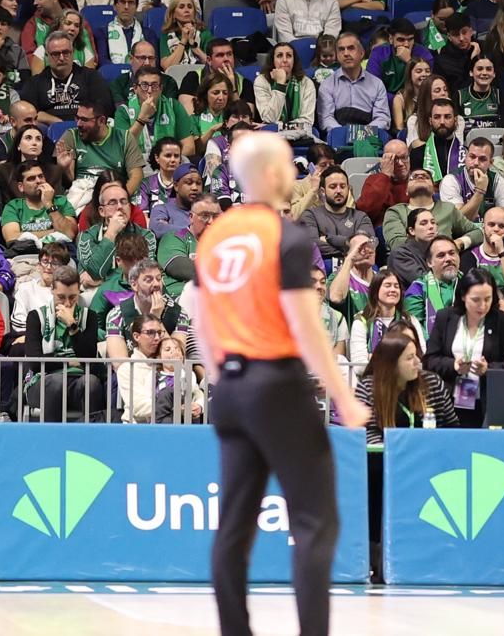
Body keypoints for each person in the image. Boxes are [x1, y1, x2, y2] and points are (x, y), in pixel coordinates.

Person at [190, 132, 367, 636]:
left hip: (228, 388)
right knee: (315, 521)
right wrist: (342, 395)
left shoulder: (216, 236)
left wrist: (223, 379)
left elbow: (201, 322)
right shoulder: (287, 237)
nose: (296, 174)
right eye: (290, 165)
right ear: (271, 175)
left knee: (234, 526)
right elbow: (306, 326)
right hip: (277, 384)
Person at [423, 268, 504, 429]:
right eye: (476, 300)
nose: (482, 306)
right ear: (463, 296)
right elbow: (430, 360)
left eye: (487, 299)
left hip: (489, 401)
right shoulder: (445, 318)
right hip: (449, 401)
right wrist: (453, 365)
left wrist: (488, 369)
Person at [354, 331, 458, 445]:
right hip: (385, 458)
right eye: (410, 358)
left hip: (430, 456)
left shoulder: (433, 383)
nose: (417, 362)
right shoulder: (368, 388)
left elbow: (452, 428)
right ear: (391, 364)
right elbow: (367, 436)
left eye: (416, 355)